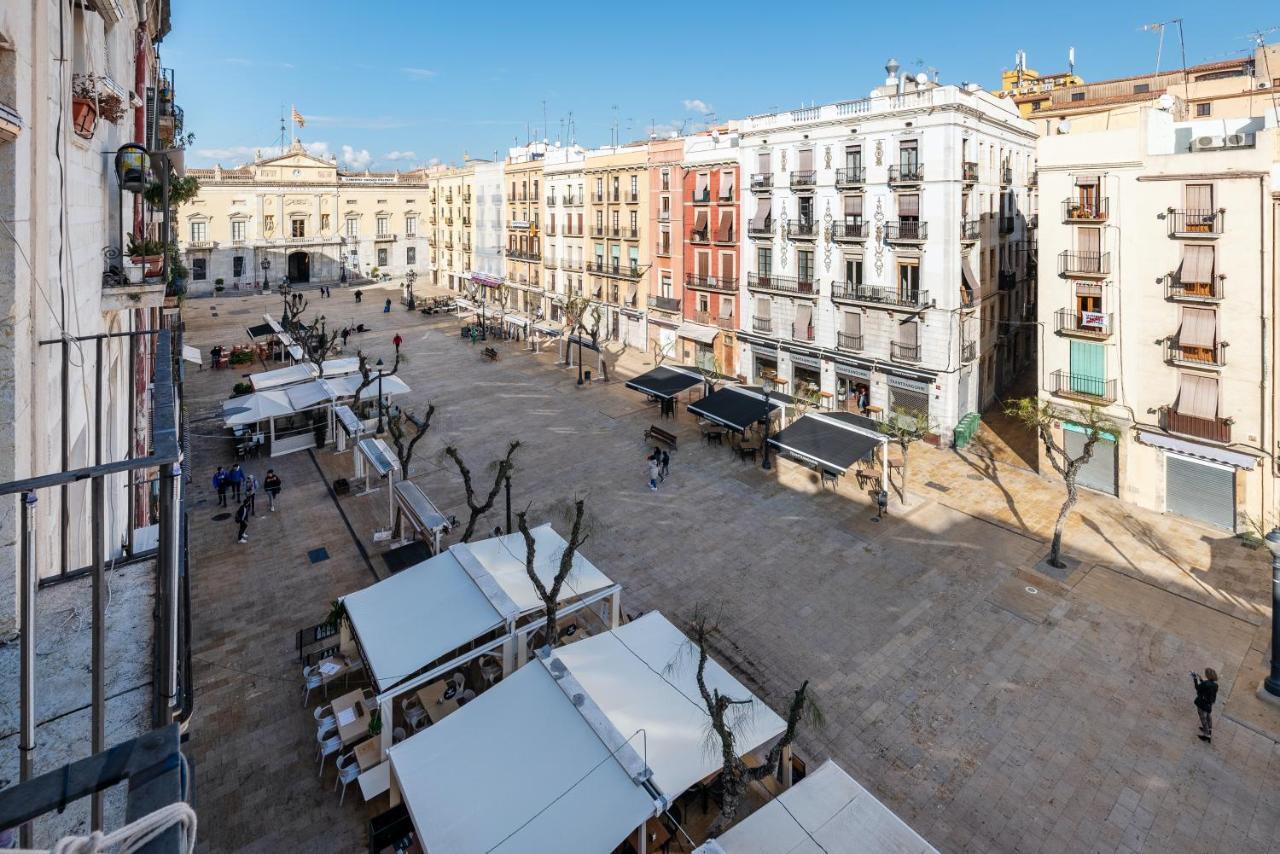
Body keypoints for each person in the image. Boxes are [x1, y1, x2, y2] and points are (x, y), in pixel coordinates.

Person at [1193, 668, 1219, 743]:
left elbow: (1198, 688)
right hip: (1209, 703)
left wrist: (1195, 679)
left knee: (1203, 718)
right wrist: (1201, 680)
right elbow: (1208, 688)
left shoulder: (1205, 683)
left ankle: (1206, 735)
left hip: (1202, 703)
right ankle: (1209, 729)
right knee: (1208, 716)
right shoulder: (1215, 685)